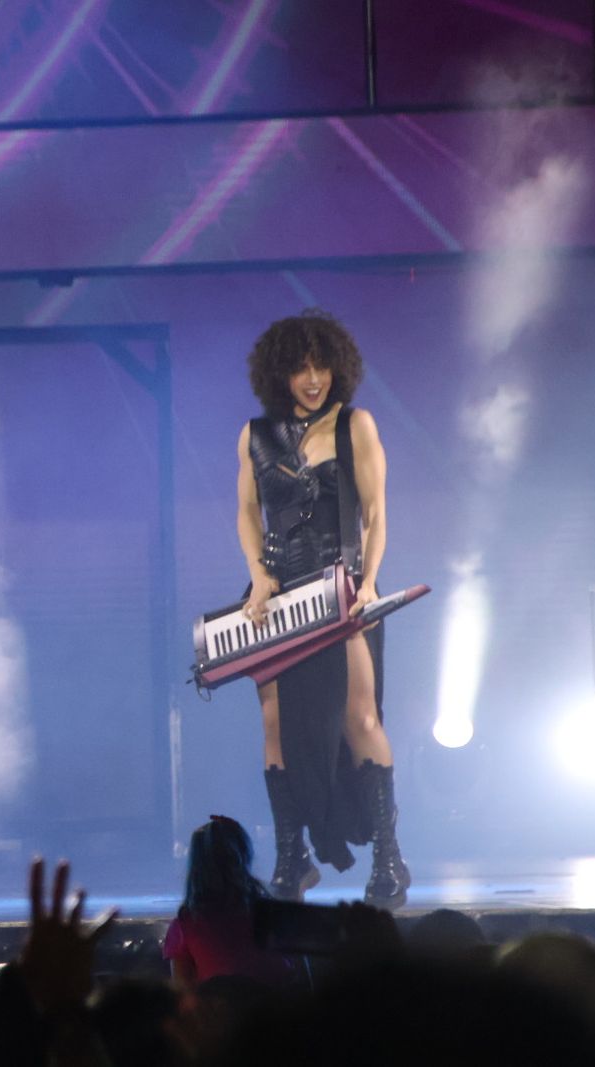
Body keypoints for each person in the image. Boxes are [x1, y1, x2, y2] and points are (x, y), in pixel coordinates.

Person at [235, 308, 409, 909]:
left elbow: (377, 514)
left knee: (358, 719)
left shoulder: (355, 425)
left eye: (322, 366)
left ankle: (389, 856)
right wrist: (257, 577)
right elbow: (246, 515)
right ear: (280, 373)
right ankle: (292, 856)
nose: (313, 379)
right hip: (277, 602)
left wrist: (369, 582)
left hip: (342, 593)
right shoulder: (256, 436)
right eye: (302, 368)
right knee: (276, 726)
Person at [162, 815, 300, 987]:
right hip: (279, 1012)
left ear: (196, 865)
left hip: (220, 1013)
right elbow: (299, 980)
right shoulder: (272, 916)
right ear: (244, 857)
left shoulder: (184, 926)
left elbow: (184, 993)